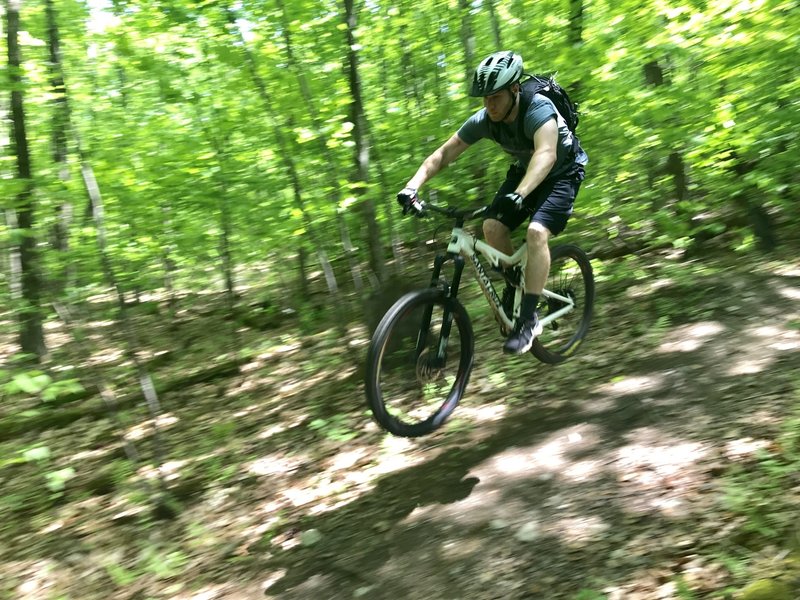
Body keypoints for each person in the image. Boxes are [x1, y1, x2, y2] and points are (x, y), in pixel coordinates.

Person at [396, 50, 588, 355]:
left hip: (562, 173)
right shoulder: (486, 119)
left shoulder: (537, 109)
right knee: (491, 227)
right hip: (525, 172)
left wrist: (521, 194)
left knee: (537, 232)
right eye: (484, 99)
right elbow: (444, 153)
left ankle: (528, 320)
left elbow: (546, 155)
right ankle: (517, 287)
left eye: (495, 97)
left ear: (514, 90)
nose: (489, 105)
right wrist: (412, 186)